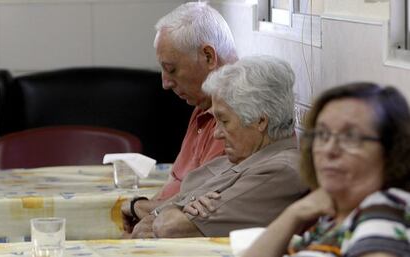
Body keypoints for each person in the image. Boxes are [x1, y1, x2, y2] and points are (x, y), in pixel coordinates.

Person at [123, 56, 308, 238]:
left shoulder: (279, 172)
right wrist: (176, 208)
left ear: (260, 121)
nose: (216, 133)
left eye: (224, 121)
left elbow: (171, 227)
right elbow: (159, 217)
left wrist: (168, 211)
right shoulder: (237, 159)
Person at [243, 82, 410, 257]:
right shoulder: (335, 214)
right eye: (322, 134)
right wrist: (295, 213)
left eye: (350, 137)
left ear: (391, 149)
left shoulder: (383, 213)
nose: (330, 149)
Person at [122, 2, 239, 221]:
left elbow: (194, 204)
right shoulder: (203, 104)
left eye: (171, 69)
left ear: (208, 56)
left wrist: (137, 207)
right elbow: (175, 183)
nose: (165, 83)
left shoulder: (235, 117)